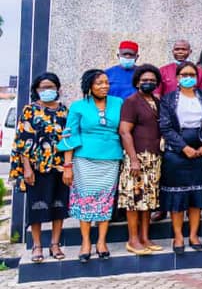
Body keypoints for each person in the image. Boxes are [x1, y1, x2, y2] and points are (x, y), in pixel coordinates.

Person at [59, 69, 124, 262]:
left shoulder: (118, 103)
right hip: (84, 159)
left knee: (105, 200)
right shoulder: (78, 106)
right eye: (99, 83)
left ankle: (101, 242)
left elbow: (124, 130)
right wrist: (67, 165)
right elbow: (70, 135)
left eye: (106, 82)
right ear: (89, 86)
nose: (104, 86)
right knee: (85, 200)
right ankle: (86, 242)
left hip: (110, 158)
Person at [10, 73, 69, 263]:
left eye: (51, 87)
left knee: (59, 206)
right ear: (36, 90)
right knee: (36, 206)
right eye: (43, 87)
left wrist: (69, 166)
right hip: (37, 167)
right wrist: (27, 168)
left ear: (57, 89)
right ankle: (37, 245)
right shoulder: (30, 110)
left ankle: (55, 244)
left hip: (59, 166)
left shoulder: (64, 111)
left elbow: (69, 139)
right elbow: (22, 142)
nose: (47, 90)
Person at [158, 61, 202, 254]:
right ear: (177, 78)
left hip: (201, 151)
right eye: (184, 75)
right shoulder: (168, 99)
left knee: (196, 196)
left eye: (192, 74)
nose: (188, 78)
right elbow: (165, 127)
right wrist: (184, 147)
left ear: (197, 78)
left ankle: (193, 235)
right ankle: (178, 236)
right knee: (177, 198)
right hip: (176, 153)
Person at [118, 64, 163, 255]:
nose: (148, 83)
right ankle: (133, 240)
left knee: (148, 200)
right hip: (137, 157)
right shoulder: (131, 102)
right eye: (145, 80)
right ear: (137, 82)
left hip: (153, 158)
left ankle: (145, 238)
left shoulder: (157, 101)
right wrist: (134, 159)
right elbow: (124, 132)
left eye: (152, 80)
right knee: (134, 199)